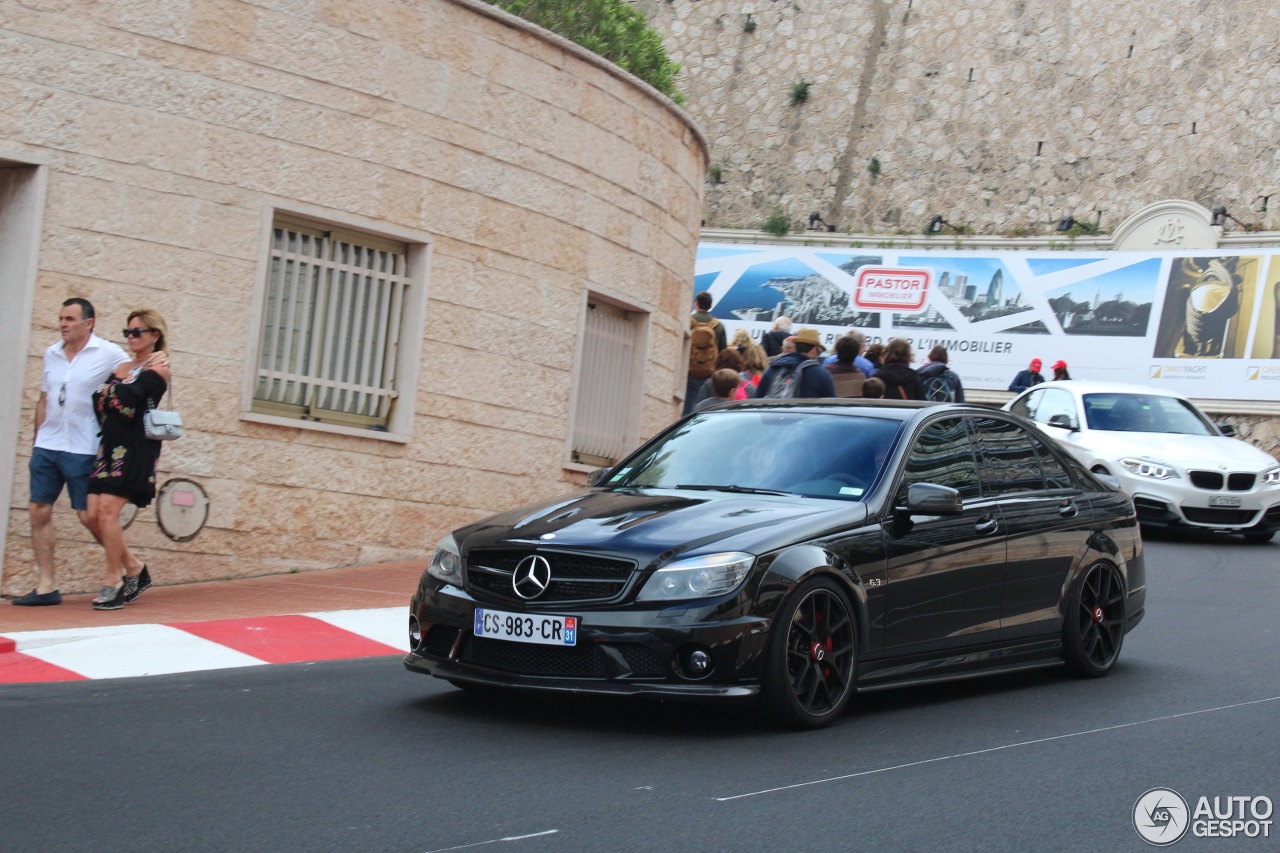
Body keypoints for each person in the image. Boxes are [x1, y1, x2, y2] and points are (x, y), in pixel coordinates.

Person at [14, 298, 130, 606]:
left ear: (88, 323)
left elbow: (134, 377)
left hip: (83, 446)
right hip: (48, 445)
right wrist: (38, 441)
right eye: (61, 318)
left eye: (70, 319)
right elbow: (44, 400)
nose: (63, 324)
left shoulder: (108, 353)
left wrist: (157, 363)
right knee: (38, 511)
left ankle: (128, 569)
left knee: (88, 517)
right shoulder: (51, 354)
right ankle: (46, 586)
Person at [87, 309, 173, 611]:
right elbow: (98, 399)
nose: (131, 337)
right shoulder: (125, 365)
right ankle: (134, 567)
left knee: (108, 512)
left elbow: (129, 399)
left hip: (135, 449)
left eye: (137, 331)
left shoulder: (159, 368)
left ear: (154, 335)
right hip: (109, 446)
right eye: (128, 332)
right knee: (93, 515)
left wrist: (113, 392)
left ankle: (114, 580)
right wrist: (114, 394)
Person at [755, 328, 836, 399]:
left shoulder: (773, 368)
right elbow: (831, 408)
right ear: (813, 350)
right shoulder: (822, 374)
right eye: (819, 351)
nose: (818, 355)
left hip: (775, 416)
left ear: (796, 347)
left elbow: (757, 402)